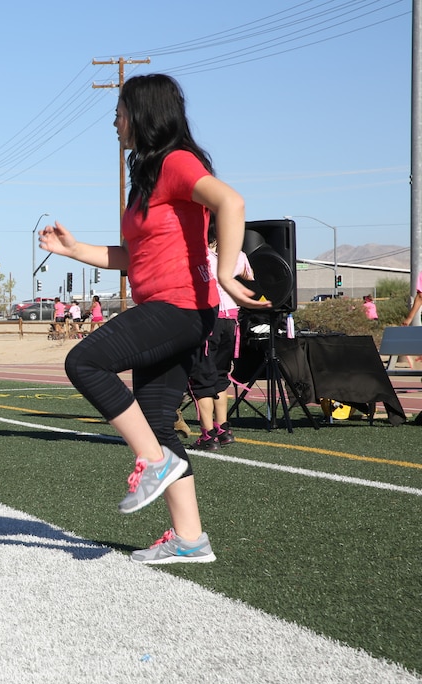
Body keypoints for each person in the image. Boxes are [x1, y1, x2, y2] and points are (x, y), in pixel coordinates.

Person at [38, 73, 270, 564]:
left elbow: (232, 202)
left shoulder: (175, 162)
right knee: (158, 423)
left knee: (85, 363)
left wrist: (226, 275)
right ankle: (190, 539)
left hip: (180, 307)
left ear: (143, 115)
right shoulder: (145, 177)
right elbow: (133, 256)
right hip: (167, 309)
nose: (114, 120)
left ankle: (154, 461)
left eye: (120, 111)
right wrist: (74, 248)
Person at [187, 217, 253, 451]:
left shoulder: (197, 255)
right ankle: (223, 428)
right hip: (231, 320)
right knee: (220, 376)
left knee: (201, 378)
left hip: (209, 318)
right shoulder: (235, 255)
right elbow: (250, 275)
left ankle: (207, 435)